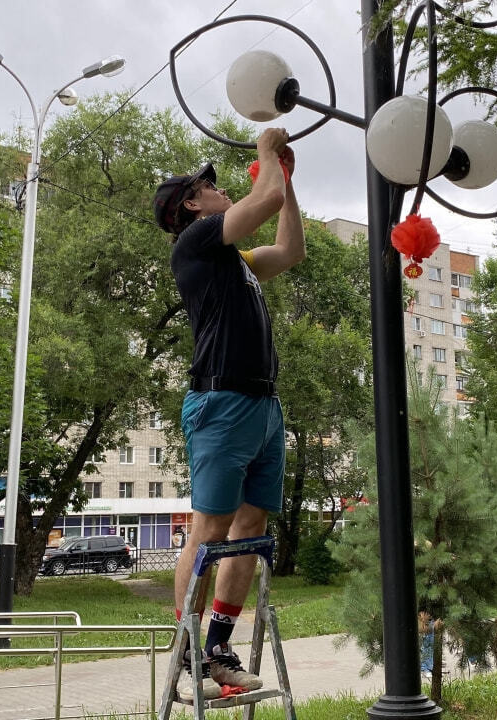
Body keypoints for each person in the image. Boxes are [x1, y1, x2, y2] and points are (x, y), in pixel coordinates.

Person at [152, 127, 304, 701]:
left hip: (262, 405)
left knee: (251, 526)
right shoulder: (194, 245)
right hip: (220, 402)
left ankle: (217, 648)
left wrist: (286, 180)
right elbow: (260, 202)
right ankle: (187, 643)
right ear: (193, 204)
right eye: (211, 187)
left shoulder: (233, 261)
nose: (220, 192)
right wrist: (267, 158)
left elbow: (290, 250)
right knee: (211, 526)